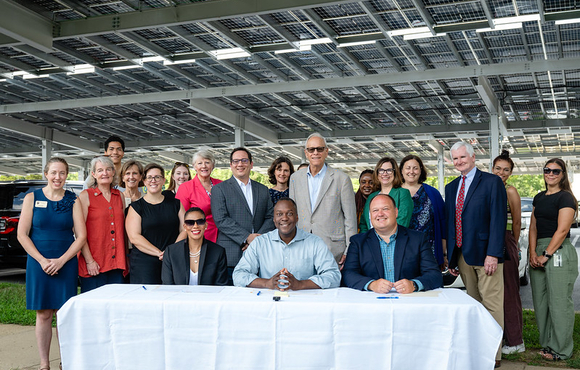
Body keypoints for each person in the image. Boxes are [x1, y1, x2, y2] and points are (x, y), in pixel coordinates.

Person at [17, 157, 87, 370]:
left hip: (64, 262)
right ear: (46, 174)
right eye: (54, 173)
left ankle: (65, 361)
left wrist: (61, 261)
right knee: (43, 313)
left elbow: (81, 236)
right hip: (38, 263)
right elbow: (22, 234)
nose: (58, 177)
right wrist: (41, 260)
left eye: (62, 173)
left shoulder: (72, 200)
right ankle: (44, 363)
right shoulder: (32, 197)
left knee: (63, 313)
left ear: (67, 175)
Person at [444, 141, 507, 368]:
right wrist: (452, 257)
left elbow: (499, 220)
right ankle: (478, 350)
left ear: (473, 157)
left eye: (463, 157)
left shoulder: (491, 182)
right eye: (455, 159)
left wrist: (493, 253)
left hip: (486, 255)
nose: (459, 162)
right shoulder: (451, 187)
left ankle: (494, 355)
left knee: (492, 304)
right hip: (463, 255)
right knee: (474, 304)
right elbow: (452, 223)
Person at [529, 158, 578, 361]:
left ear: (563, 174)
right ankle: (548, 344)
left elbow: (563, 229)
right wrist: (533, 253)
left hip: (557, 251)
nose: (550, 174)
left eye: (556, 171)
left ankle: (562, 349)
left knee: (559, 303)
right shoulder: (539, 197)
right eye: (547, 170)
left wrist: (546, 255)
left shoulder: (566, 198)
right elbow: (533, 227)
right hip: (538, 250)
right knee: (541, 303)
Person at [233, 198, 340, 290]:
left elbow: (334, 276)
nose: (284, 218)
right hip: (269, 303)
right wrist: (267, 283)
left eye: (290, 213)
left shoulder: (315, 243)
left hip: (305, 302)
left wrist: (301, 284)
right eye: (279, 214)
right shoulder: (260, 243)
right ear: (274, 220)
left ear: (297, 218)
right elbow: (238, 275)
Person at [343, 194, 442, 293]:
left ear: (396, 212)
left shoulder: (418, 239)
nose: (380, 214)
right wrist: (371, 284)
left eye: (385, 209)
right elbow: (348, 274)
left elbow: (434, 275)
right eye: (375, 210)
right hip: (372, 302)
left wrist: (414, 285)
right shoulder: (358, 242)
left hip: (409, 301)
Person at [289, 133, 356, 265]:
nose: (315, 153)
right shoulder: (295, 178)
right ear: (306, 153)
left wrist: (349, 250)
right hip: (301, 247)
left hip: (333, 250)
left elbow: (350, 219)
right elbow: (292, 215)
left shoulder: (341, 179)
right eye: (311, 149)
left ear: (326, 151)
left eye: (319, 149)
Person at [211, 147, 275, 283]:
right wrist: (247, 238)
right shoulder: (219, 189)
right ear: (231, 165)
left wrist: (256, 240)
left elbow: (270, 217)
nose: (240, 164)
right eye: (236, 161)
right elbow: (221, 219)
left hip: (259, 254)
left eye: (244, 160)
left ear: (251, 164)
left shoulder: (263, 189)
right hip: (232, 255)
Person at [126, 163, 186, 284]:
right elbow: (134, 237)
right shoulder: (136, 207)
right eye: (149, 177)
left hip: (172, 260)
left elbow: (185, 229)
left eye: (157, 177)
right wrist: (159, 253)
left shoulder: (176, 204)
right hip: (144, 263)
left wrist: (171, 252)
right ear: (144, 181)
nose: (153, 181)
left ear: (163, 180)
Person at [78, 156, 128, 293]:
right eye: (100, 170)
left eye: (108, 169)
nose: (104, 173)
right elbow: (78, 231)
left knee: (116, 305)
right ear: (93, 174)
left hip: (117, 262)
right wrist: (89, 261)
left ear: (113, 172)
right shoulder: (85, 195)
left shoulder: (120, 196)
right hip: (94, 262)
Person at [492, 150, 525, 355]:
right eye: (498, 168)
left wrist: (513, 244)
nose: (501, 173)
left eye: (506, 170)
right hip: (490, 242)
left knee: (510, 291)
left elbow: (518, 221)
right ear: (492, 168)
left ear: (510, 173)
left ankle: (515, 341)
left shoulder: (510, 191)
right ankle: (501, 336)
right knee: (495, 293)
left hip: (506, 240)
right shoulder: (488, 187)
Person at [400, 155, 447, 269]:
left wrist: (444, 254)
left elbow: (443, 225)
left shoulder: (433, 193)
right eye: (408, 168)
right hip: (399, 253)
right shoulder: (394, 192)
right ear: (401, 170)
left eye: (415, 168)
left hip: (428, 253)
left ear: (421, 170)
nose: (411, 171)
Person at [162, 207, 228, 286]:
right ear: (185, 226)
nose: (195, 226)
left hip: (208, 298)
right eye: (190, 222)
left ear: (206, 225)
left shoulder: (218, 252)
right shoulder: (171, 252)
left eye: (200, 222)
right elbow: (168, 286)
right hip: (178, 298)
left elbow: (220, 286)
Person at [176, 150, 223, 242]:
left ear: (212, 165)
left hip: (224, 236)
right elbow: (182, 219)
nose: (204, 166)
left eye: (207, 162)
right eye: (200, 163)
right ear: (194, 166)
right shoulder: (185, 188)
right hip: (199, 237)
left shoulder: (221, 184)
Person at [359, 157, 413, 232]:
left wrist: (383, 238)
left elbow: (402, 222)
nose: (385, 174)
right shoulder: (372, 196)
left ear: (395, 173)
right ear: (377, 174)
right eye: (381, 170)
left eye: (389, 170)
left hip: (394, 241)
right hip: (370, 241)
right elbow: (363, 223)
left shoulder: (403, 193)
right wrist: (368, 239)